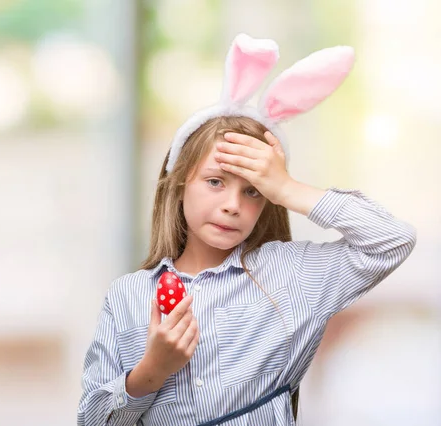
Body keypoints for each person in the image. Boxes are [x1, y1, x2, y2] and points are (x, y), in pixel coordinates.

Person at [77, 33, 417, 426]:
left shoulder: (292, 275)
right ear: (180, 180)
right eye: (216, 182)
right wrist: (151, 370)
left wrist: (288, 187)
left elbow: (392, 240)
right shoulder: (128, 296)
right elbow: (92, 421)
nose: (232, 205)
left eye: (253, 191)